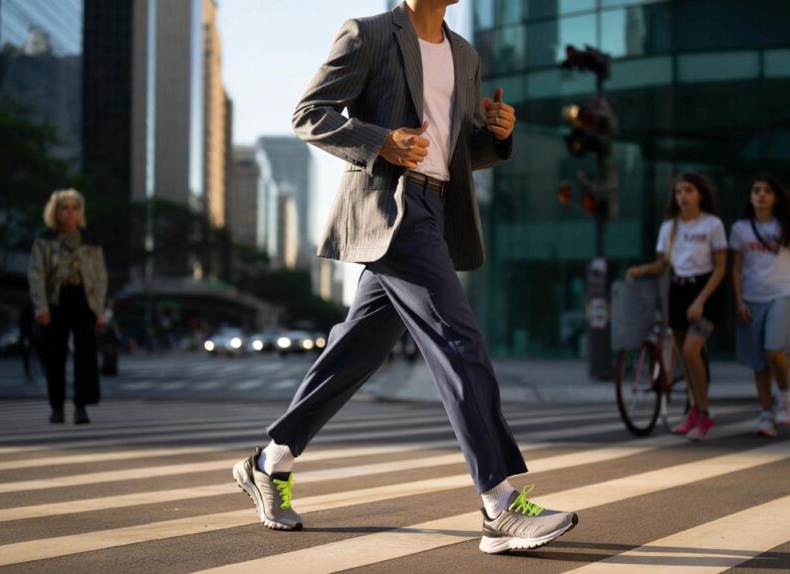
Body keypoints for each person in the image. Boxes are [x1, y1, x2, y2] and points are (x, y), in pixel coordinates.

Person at [231, 0, 578, 554]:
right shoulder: (368, 35)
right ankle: (500, 505)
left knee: (356, 354)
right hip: (393, 208)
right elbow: (309, 114)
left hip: (439, 210)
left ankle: (269, 461)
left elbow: (458, 149)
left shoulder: (464, 55)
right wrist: (380, 142)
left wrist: (499, 135)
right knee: (457, 340)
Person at [627, 173, 727, 440]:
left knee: (692, 349)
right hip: (678, 289)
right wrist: (643, 269)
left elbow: (721, 268)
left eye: (688, 190)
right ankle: (694, 410)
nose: (682, 196)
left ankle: (704, 415)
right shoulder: (669, 227)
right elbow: (663, 265)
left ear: (700, 195)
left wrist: (701, 300)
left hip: (705, 289)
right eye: (679, 191)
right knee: (684, 356)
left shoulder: (712, 225)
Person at [730, 174, 790, 437]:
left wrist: (782, 282)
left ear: (775, 196)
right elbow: (736, 267)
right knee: (758, 361)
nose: (761, 195)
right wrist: (739, 299)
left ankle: (785, 395)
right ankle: (766, 414)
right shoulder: (740, 229)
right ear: (750, 196)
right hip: (752, 297)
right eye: (756, 190)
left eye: (767, 190)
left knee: (774, 350)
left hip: (781, 294)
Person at [28, 189, 108, 425]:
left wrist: (100, 311)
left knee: (85, 355)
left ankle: (81, 406)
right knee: (55, 354)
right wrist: (40, 307)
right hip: (56, 299)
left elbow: (100, 277)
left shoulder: (90, 240)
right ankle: (56, 406)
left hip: (85, 300)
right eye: (64, 207)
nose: (70, 212)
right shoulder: (44, 238)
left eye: (75, 207)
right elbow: (36, 274)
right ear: (55, 211)